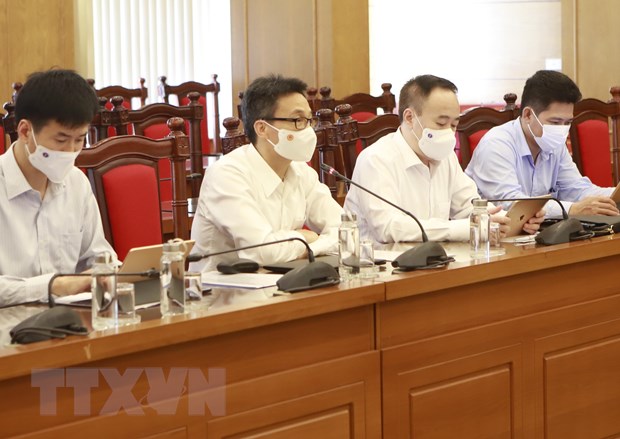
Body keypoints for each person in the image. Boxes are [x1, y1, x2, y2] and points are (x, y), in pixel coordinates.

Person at [344, 74, 543, 243]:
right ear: (410, 118)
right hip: (379, 267)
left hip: (435, 262)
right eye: (441, 124)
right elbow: (389, 228)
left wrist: (509, 221)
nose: (449, 133)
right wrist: (466, 228)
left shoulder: (445, 156)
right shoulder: (376, 160)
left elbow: (469, 206)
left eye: (454, 125)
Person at [190, 74, 342, 272]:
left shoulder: (301, 171)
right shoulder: (226, 175)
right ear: (262, 128)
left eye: (309, 120)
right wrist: (306, 238)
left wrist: (310, 245)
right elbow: (262, 252)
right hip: (221, 287)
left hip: (285, 280)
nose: (307, 130)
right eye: (297, 120)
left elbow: (345, 230)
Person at [0, 69, 116, 307]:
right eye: (61, 140)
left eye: (79, 139)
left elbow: (99, 258)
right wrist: (53, 286)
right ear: (25, 131)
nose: (70, 151)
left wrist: (107, 273)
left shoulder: (76, 183)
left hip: (71, 319)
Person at [465, 70, 619, 218]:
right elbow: (511, 203)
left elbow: (577, 190)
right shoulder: (496, 144)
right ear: (528, 115)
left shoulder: (554, 144)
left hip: (535, 231)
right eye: (555, 122)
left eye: (567, 122)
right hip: (490, 232)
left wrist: (614, 195)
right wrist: (572, 209)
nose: (562, 130)